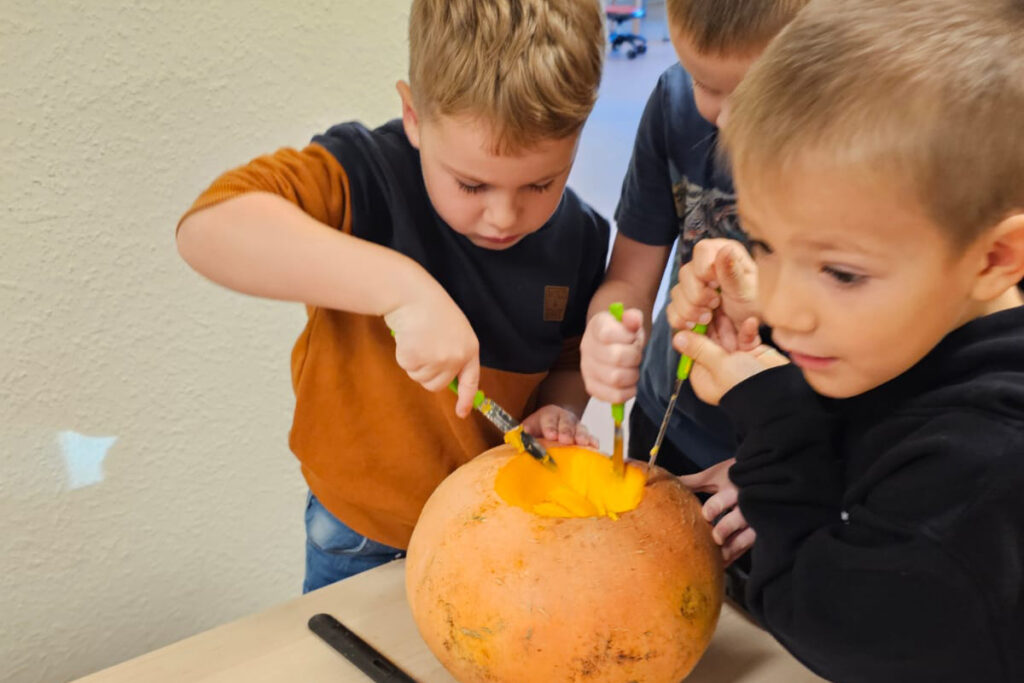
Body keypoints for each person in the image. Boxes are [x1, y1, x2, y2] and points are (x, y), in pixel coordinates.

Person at [175, 0, 608, 592]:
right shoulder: (364, 175)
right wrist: (400, 289)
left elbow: (569, 359)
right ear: (414, 116)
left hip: (499, 532)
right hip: (360, 537)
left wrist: (561, 408)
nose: (505, 216)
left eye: (541, 183)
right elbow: (208, 231)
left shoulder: (582, 237)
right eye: (471, 183)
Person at [669, 0, 1024, 679]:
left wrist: (775, 415)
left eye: (840, 271)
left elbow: (816, 613)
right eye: (766, 244)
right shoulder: (917, 339)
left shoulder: (987, 470)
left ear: (994, 258)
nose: (780, 307)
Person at [579, 0, 810, 566]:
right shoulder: (675, 104)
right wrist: (606, 331)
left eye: (756, 93)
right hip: (672, 419)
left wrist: (786, 467)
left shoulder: (875, 156)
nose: (726, 118)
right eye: (704, 81)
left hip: (804, 457)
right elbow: (630, 276)